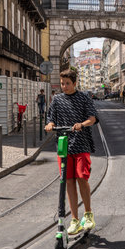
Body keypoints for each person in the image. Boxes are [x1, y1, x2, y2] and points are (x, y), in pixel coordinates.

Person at [45, 68, 98, 235]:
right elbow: (51, 118)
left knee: (82, 178)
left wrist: (82, 124)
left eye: (67, 83)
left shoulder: (83, 98)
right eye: (62, 84)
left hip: (82, 144)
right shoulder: (57, 99)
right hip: (64, 144)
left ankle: (88, 214)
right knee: (68, 181)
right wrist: (50, 125)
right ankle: (75, 220)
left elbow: (93, 118)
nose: (64, 86)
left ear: (75, 83)